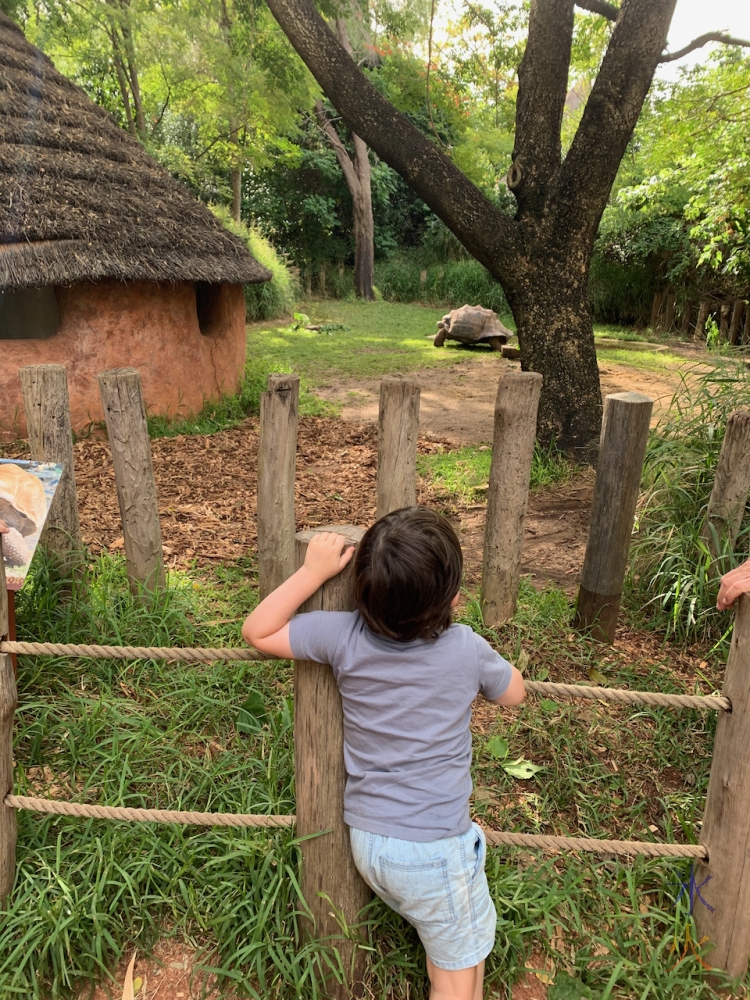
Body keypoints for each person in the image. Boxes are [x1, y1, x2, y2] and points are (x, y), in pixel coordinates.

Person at [243, 506, 525, 1000]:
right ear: (452, 597)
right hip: (435, 851)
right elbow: (514, 694)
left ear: (358, 586)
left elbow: (258, 630)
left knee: (466, 959)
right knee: (457, 978)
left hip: (369, 844)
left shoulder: (343, 636)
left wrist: (311, 573)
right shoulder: (466, 648)